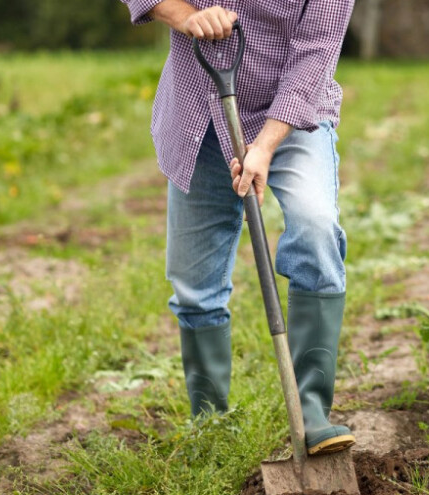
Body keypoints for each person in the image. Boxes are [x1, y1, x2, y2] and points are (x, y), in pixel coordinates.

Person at [120, 0, 356, 455]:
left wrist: (264, 146)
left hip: (294, 120)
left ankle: (310, 411)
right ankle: (210, 425)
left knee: (316, 226)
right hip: (200, 114)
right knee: (195, 285)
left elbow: (316, 54)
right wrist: (184, 15)